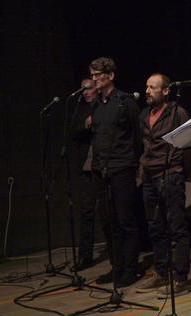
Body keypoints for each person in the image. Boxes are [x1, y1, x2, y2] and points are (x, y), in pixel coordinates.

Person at [134, 73, 191, 296]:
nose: (148, 91)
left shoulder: (177, 112)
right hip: (149, 176)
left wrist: (184, 174)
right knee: (155, 227)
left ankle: (181, 278)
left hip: (170, 174)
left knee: (177, 227)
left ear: (166, 90)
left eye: (153, 87)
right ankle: (161, 274)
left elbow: (187, 145)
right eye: (147, 87)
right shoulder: (144, 115)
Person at [88, 57, 142, 288]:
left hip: (122, 168)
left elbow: (136, 136)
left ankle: (130, 269)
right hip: (101, 170)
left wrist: (134, 165)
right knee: (108, 222)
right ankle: (116, 267)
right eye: (91, 75)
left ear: (110, 76)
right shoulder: (97, 104)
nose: (93, 79)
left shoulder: (125, 102)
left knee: (125, 221)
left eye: (97, 74)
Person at [71, 78, 112, 271]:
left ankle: (116, 255)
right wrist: (86, 124)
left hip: (105, 166)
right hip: (87, 169)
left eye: (89, 88)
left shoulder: (105, 106)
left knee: (109, 212)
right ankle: (84, 256)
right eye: (83, 89)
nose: (85, 92)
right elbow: (74, 130)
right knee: (86, 212)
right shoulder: (80, 109)